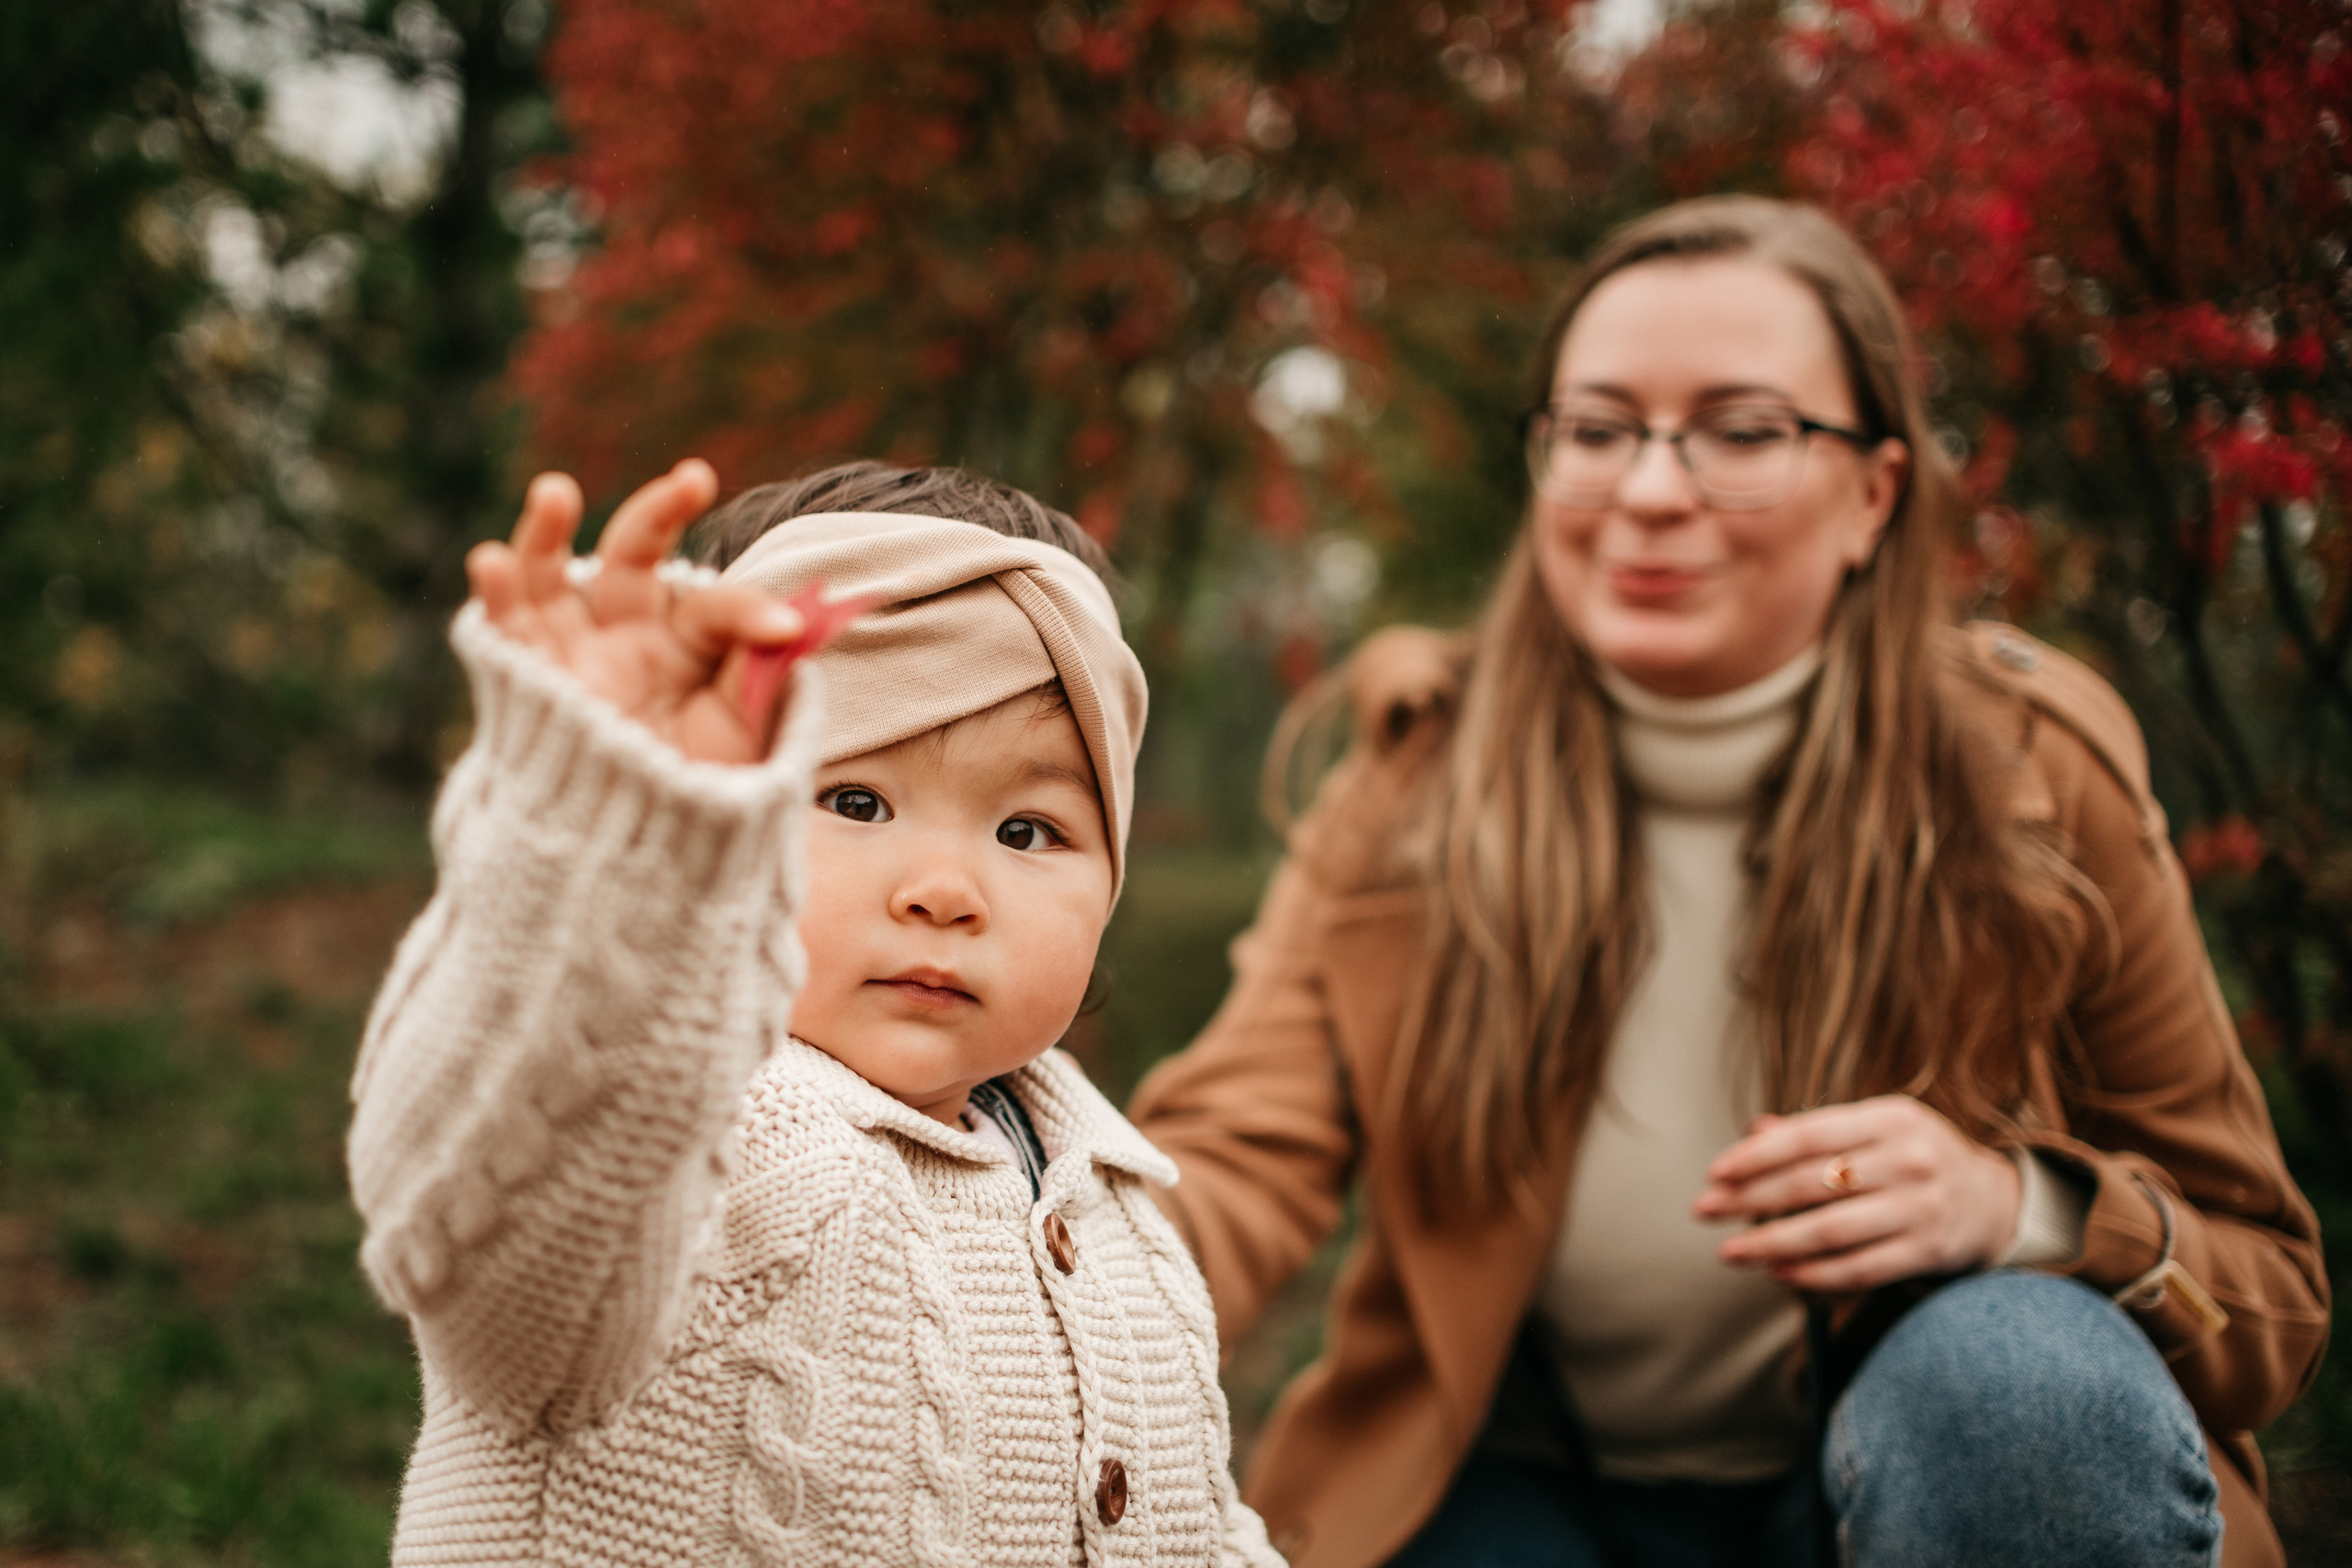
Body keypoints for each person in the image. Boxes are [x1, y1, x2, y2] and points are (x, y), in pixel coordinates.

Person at [1127, 197, 2328, 1568]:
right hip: (1526, 1485)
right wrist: (1003, 1271)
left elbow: (2272, 1294)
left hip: (1900, 1484)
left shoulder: (2035, 773)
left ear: (1873, 494)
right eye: (1598, 430)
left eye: (1743, 433)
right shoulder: (1414, 777)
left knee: (2016, 1385)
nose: (1649, 490)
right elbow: (1239, 1156)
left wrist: (2020, 1206)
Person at [348, 458, 1283, 1565]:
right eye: (854, 800)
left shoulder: (1114, 1204)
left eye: (1026, 831)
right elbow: (479, 1204)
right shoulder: (691, 1142)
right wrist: (606, 834)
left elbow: (1200, 1526)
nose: (944, 890)